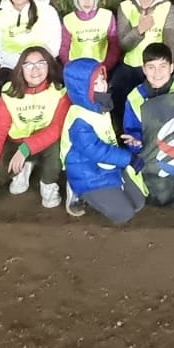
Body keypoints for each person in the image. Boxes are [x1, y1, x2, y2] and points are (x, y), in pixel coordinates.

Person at [0, 45, 69, 208]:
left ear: (49, 65)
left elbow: (56, 128)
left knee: (55, 155)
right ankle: (25, 166)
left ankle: (48, 184)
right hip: (17, 142)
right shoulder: (9, 93)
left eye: (41, 64)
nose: (35, 70)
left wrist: (26, 148)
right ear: (20, 68)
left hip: (46, 143)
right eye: (28, 65)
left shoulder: (59, 92)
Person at [61, 58, 145, 225]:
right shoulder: (79, 119)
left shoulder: (99, 105)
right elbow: (96, 150)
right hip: (86, 171)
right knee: (124, 214)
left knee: (139, 203)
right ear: (82, 88)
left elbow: (107, 138)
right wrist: (128, 158)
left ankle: (110, 190)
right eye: (95, 83)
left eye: (103, 79)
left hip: (106, 166)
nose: (103, 85)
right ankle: (77, 189)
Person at [113, 0, 174, 116]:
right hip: (131, 68)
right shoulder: (125, 7)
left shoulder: (167, 7)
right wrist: (139, 30)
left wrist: (165, 69)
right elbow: (124, 44)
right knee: (122, 102)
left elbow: (172, 44)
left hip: (156, 68)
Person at [120, 44, 174, 163]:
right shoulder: (135, 97)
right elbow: (133, 131)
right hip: (150, 157)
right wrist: (136, 144)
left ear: (171, 68)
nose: (157, 73)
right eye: (151, 67)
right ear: (144, 69)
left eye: (163, 66)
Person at [0, 0, 64, 74]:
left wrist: (34, 61)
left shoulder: (46, 10)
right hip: (11, 65)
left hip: (41, 64)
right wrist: (18, 62)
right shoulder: (0, 14)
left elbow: (55, 43)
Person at [61, 0, 121, 68]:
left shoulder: (107, 16)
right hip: (77, 68)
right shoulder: (69, 20)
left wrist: (106, 66)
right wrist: (70, 66)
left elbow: (114, 44)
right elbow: (64, 47)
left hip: (101, 66)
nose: (87, 2)